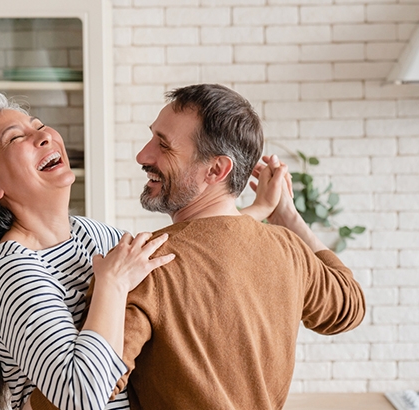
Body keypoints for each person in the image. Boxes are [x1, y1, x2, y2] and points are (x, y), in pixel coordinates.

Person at [0, 93, 284, 410]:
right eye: (18, 138)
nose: (45, 135)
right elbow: (80, 396)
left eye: (39, 126)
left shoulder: (94, 236)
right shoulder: (14, 270)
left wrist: (256, 210)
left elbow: (178, 258)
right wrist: (111, 286)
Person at [108, 84, 367, 409]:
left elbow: (82, 392)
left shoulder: (146, 264)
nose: (143, 155)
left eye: (164, 146)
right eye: (152, 137)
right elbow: (350, 306)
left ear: (217, 169)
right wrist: (288, 217)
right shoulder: (287, 248)